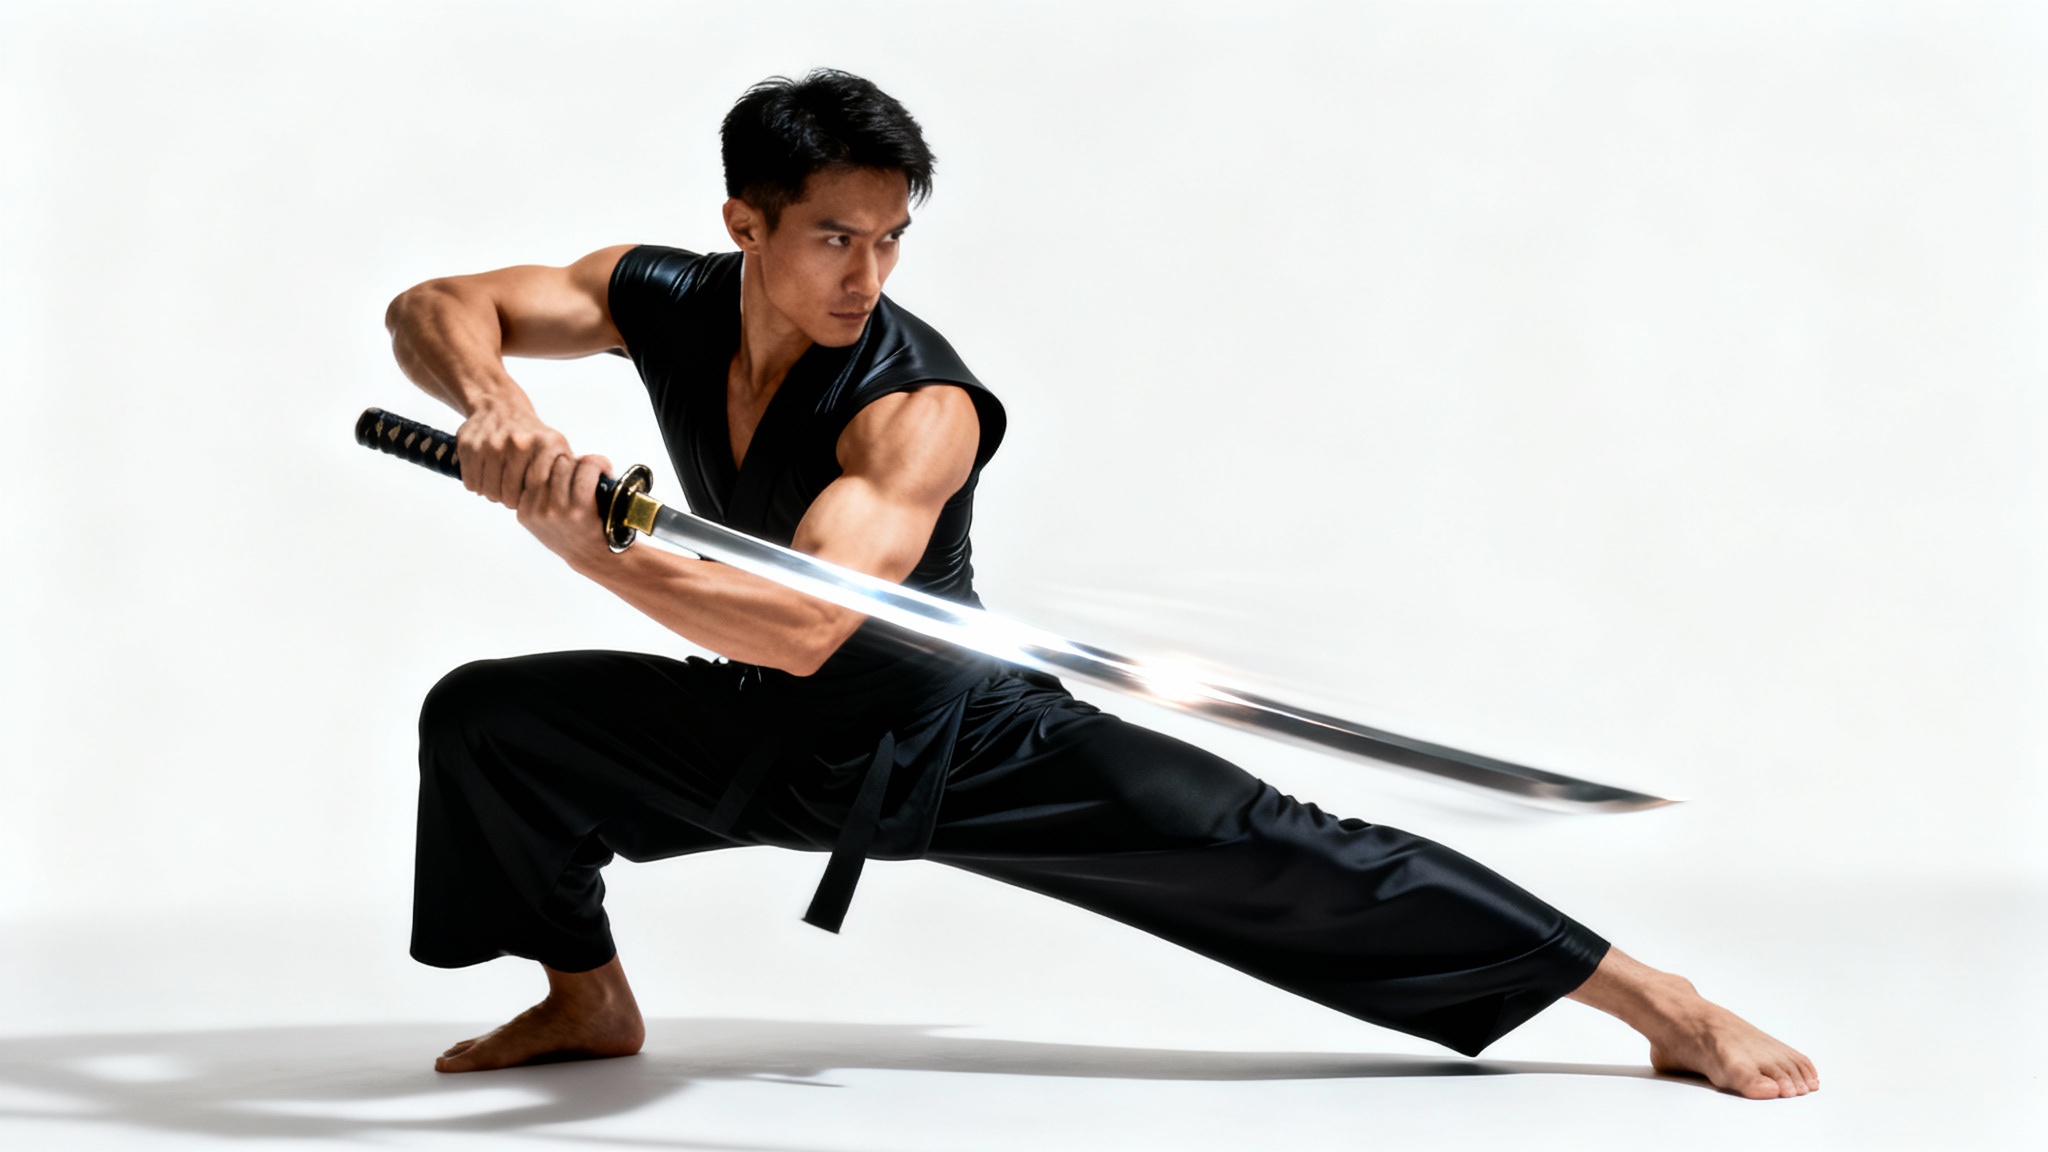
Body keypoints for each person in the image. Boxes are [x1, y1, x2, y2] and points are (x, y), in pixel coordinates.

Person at [383, 69, 1817, 1099]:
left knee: (1294, 852)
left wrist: (584, 542)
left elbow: (811, 621)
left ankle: (1655, 1000)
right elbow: (434, 307)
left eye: (891, 240)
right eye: (834, 236)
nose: (865, 274)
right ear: (745, 225)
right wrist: (498, 403)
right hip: (765, 729)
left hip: (958, 739)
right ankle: (587, 999)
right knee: (487, 722)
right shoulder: (665, 299)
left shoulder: (914, 406)